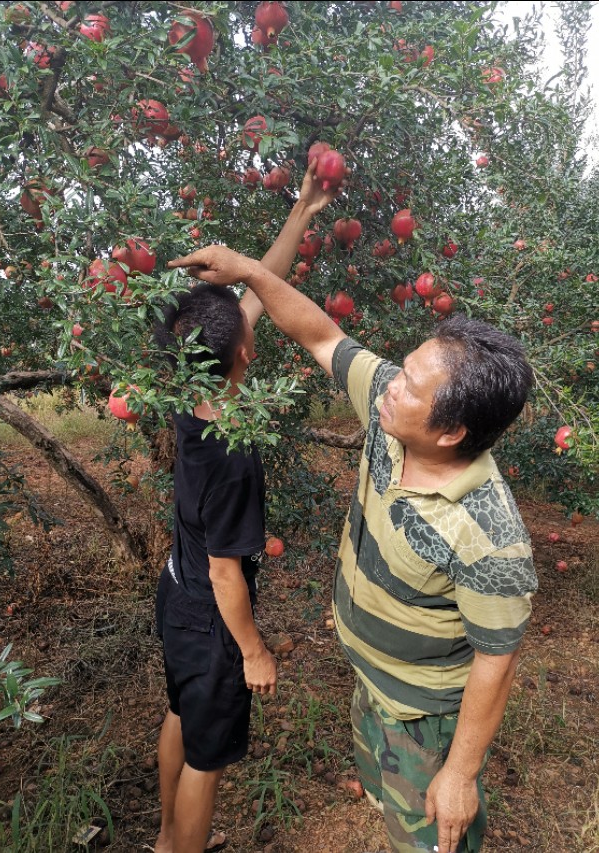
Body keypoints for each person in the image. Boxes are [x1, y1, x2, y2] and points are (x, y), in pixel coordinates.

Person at [168, 162, 538, 853]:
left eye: (411, 386)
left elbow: (498, 656)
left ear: (451, 431)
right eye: (403, 368)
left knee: (430, 839)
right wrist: (247, 268)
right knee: (388, 808)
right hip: (373, 687)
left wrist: (460, 771)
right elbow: (320, 334)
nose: (392, 384)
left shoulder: (488, 534)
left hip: (424, 717)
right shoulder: (390, 411)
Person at [153, 169, 337, 853]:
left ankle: (166, 839)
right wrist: (253, 651)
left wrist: (301, 212)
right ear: (246, 353)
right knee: (207, 760)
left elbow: (258, 293)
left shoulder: (187, 388)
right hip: (211, 617)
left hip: (175, 594)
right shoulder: (232, 456)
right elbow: (227, 572)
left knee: (181, 714)